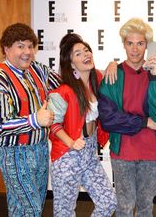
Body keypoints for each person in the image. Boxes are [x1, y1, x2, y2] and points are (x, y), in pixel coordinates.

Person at [98, 17, 156, 217]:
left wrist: (155, 76)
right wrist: (143, 122)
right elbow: (108, 120)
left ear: (148, 46)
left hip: (150, 151)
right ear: (124, 44)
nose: (135, 49)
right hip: (123, 151)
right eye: (130, 43)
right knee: (124, 206)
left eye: (140, 43)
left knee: (145, 206)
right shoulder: (112, 75)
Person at [0, 23, 61, 216]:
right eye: (20, 46)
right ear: (6, 49)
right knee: (32, 210)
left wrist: (95, 73)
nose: (27, 52)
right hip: (13, 153)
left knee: (20, 209)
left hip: (39, 148)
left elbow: (64, 85)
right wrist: (34, 120)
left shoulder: (36, 69)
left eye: (30, 46)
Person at [47, 33, 117, 216]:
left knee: (108, 202)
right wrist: (71, 142)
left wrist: (113, 64)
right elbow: (53, 124)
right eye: (77, 54)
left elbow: (113, 74)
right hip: (67, 157)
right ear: (71, 64)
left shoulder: (97, 81)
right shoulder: (63, 91)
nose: (85, 54)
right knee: (65, 212)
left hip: (89, 154)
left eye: (86, 50)